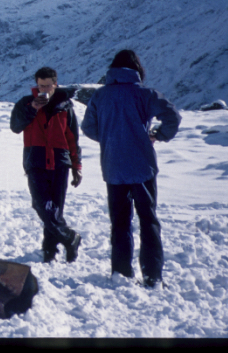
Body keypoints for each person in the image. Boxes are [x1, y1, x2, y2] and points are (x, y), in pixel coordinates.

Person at [82, 49, 181, 288]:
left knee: (120, 221)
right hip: (142, 166)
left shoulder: (100, 96)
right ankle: (152, 276)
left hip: (113, 166)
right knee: (148, 220)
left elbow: (87, 127)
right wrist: (158, 135)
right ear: (137, 70)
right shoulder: (146, 94)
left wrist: (110, 138)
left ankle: (121, 273)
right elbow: (173, 117)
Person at [10, 66, 83, 264]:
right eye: (40, 85)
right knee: (41, 204)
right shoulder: (26, 103)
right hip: (35, 161)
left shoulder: (65, 106)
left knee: (55, 209)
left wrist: (77, 166)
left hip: (60, 162)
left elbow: (72, 138)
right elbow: (15, 127)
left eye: (47, 86)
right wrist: (32, 109)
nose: (43, 89)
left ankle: (50, 252)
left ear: (55, 84)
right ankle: (69, 237)